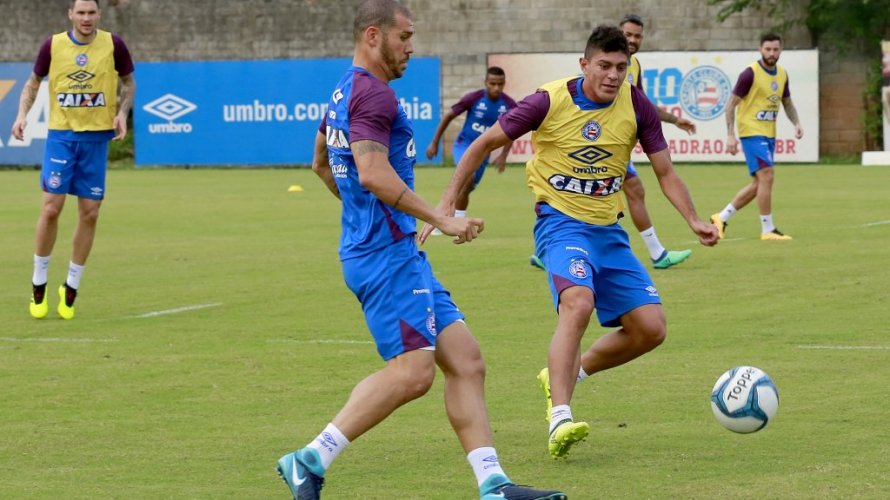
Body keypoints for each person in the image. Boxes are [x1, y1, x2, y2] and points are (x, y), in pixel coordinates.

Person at [276, 2, 566, 499]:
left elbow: (322, 163)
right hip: (386, 256)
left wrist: (366, 218)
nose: (412, 46)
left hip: (388, 250)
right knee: (413, 374)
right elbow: (369, 172)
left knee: (467, 361)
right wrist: (439, 218)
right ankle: (310, 458)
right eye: (405, 36)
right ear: (374, 35)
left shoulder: (344, 88)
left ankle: (493, 484)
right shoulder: (374, 95)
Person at [421, 25, 718, 460]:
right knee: (577, 302)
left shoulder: (636, 105)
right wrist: (446, 204)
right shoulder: (549, 99)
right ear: (585, 65)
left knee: (651, 329)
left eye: (622, 67)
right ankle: (560, 414)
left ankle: (567, 373)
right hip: (560, 225)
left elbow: (665, 172)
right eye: (604, 66)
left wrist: (692, 218)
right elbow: (483, 143)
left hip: (608, 230)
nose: (614, 75)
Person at [529, 14, 697, 271]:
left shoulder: (633, 67)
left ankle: (555, 245)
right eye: (627, 35)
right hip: (593, 143)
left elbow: (640, 103)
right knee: (609, 188)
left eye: (637, 36)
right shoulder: (595, 69)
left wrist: (674, 120)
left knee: (632, 190)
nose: (632, 40)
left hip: (613, 147)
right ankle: (655, 253)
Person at [12, 0, 135, 320]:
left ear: (99, 15)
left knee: (90, 213)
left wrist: (122, 113)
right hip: (62, 137)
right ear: (70, 15)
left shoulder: (114, 44)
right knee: (52, 206)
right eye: (80, 12)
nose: (86, 18)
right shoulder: (53, 45)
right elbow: (32, 82)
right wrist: (22, 114)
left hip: (96, 140)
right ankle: (39, 282)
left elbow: (129, 82)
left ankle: (71, 285)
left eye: (91, 12)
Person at [710, 33, 803, 241]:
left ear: (781, 50)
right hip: (751, 132)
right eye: (768, 49)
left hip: (769, 134)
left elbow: (787, 103)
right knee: (768, 175)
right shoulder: (749, 74)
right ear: (760, 49)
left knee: (759, 184)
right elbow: (730, 105)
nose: (771, 53)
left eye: (775, 49)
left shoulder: (782, 74)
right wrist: (730, 135)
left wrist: (796, 123)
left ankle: (721, 217)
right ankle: (767, 229)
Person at [425, 67, 517, 218]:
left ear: (504, 83)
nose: (496, 88)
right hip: (465, 144)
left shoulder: (509, 105)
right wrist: (435, 142)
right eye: (492, 84)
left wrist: (504, 155)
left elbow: (513, 130)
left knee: (466, 187)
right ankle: (458, 221)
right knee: (468, 178)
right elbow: (448, 116)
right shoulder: (473, 98)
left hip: (484, 151)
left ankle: (441, 217)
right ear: (485, 82)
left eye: (500, 84)